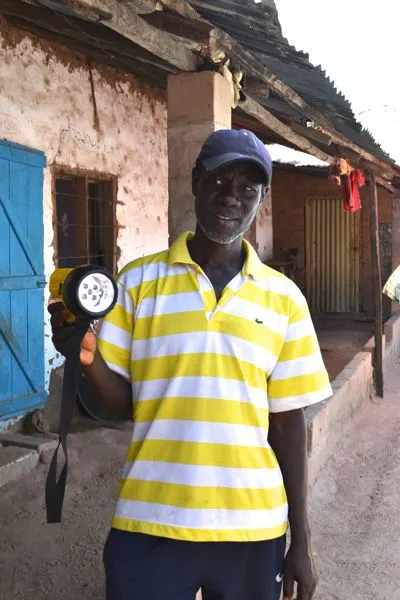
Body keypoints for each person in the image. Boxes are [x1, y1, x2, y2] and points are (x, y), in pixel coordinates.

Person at [50, 129, 332, 600]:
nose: (231, 197)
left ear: (262, 200)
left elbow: (287, 424)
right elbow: (124, 404)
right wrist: (89, 360)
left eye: (247, 188)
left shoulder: (285, 300)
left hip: (253, 527)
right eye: (220, 180)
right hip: (150, 519)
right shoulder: (139, 283)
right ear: (196, 181)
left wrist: (301, 540)